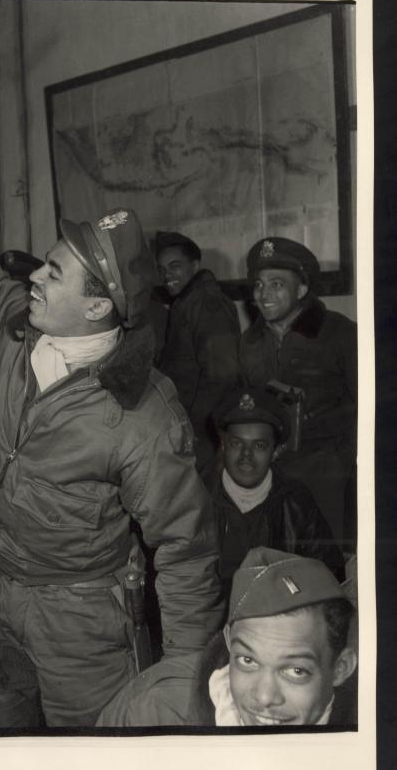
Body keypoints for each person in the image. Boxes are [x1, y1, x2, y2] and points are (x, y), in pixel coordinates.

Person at [0, 92, 223, 728]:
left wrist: (188, 689)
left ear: (99, 306)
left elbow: (185, 552)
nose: (34, 279)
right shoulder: (13, 334)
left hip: (78, 620)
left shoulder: (144, 414)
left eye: (52, 272)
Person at [97, 547, 357, 727]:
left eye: (296, 670)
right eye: (247, 660)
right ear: (229, 639)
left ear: (340, 668)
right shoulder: (159, 711)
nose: (265, 697)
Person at [239, 238, 357, 547]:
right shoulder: (248, 344)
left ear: (302, 290)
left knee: (328, 566)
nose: (264, 295)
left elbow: (370, 412)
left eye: (277, 284)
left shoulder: (340, 334)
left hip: (328, 476)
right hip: (271, 475)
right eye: (258, 285)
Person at [208, 387, 344, 596]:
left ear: (276, 451)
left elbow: (329, 576)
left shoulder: (296, 502)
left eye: (259, 446)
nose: (246, 455)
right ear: (223, 445)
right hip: (208, 620)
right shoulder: (197, 498)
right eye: (236, 443)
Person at [155, 231, 240, 471]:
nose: (167, 275)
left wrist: (191, 428)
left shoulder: (207, 304)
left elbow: (223, 375)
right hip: (188, 424)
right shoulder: (186, 302)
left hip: (202, 429)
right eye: (161, 270)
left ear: (195, 266)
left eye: (175, 266)